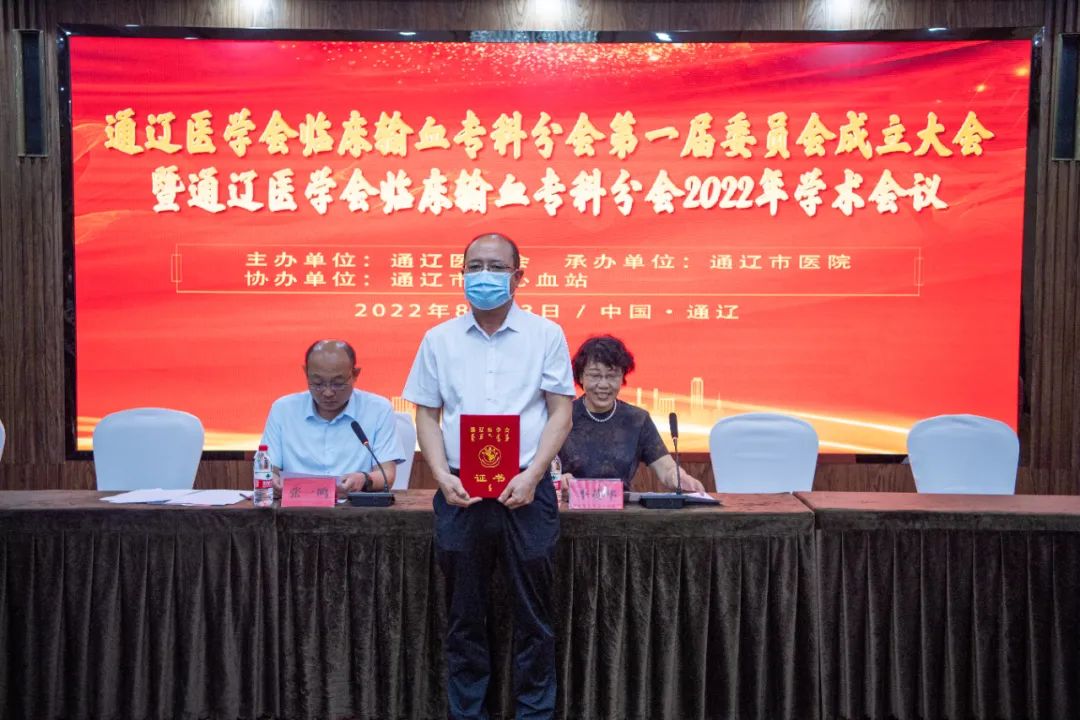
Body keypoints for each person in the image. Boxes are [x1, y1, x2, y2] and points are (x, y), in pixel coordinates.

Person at [403, 232, 574, 720]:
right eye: (474, 266)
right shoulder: (439, 339)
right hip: (461, 490)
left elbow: (561, 413)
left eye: (496, 268)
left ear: (519, 276)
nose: (484, 276)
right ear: (460, 274)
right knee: (464, 618)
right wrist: (440, 475)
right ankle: (467, 714)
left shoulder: (546, 335)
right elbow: (426, 415)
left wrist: (533, 475)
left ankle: (534, 714)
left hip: (527, 490)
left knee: (534, 618)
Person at [557, 335, 707, 492]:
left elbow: (666, 468)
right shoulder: (562, 416)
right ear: (581, 377)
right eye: (595, 376)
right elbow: (545, 468)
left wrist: (679, 477)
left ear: (622, 377)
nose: (603, 384)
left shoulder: (637, 419)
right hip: (570, 503)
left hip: (622, 505)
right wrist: (558, 478)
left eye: (612, 376)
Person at [261, 339, 404, 493]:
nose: (328, 392)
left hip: (355, 504)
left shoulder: (378, 409)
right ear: (306, 373)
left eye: (338, 384)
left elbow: (387, 474)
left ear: (355, 374)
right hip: (295, 503)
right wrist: (271, 479)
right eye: (318, 383)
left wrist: (364, 479)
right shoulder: (283, 409)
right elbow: (268, 469)